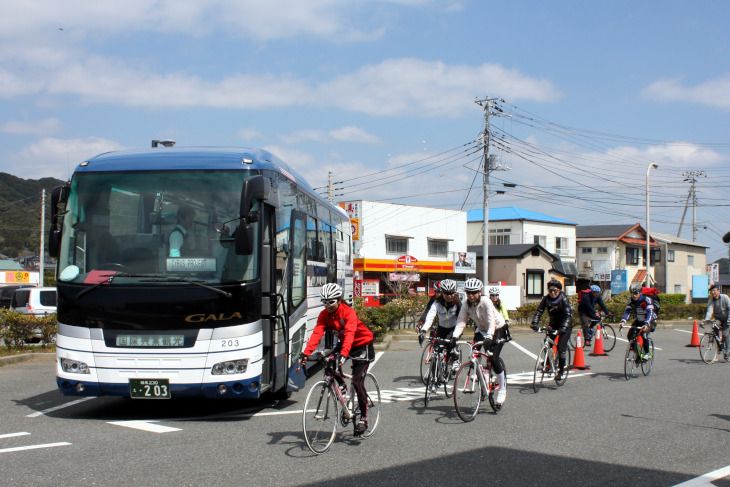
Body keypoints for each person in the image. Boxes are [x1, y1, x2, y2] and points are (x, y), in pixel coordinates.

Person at [299, 283, 374, 435]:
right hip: (344, 343)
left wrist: (344, 355)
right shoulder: (324, 315)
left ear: (339, 300)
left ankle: (364, 418)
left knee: (357, 381)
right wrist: (306, 353)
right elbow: (316, 334)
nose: (327, 306)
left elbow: (350, 334)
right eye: (324, 302)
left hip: (362, 344)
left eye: (331, 302)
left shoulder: (348, 313)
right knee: (328, 361)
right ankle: (341, 385)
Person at [452, 278, 509, 405]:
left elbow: (491, 321)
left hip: (498, 328)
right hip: (481, 330)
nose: (471, 295)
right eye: (468, 293)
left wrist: (489, 337)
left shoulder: (486, 301)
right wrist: (455, 337)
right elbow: (461, 321)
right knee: (475, 354)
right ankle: (484, 379)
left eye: (474, 292)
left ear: (479, 292)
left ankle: (502, 389)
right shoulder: (466, 304)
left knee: (493, 358)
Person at [531, 279, 573, 381]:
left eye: (555, 290)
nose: (553, 293)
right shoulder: (546, 299)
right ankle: (548, 364)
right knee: (546, 343)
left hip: (565, 325)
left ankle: (561, 371)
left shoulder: (563, 299)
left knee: (561, 348)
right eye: (550, 290)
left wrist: (563, 328)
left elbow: (568, 315)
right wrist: (534, 323)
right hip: (553, 324)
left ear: (559, 290)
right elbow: (539, 311)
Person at [417, 279, 462, 373]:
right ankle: (437, 370)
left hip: (454, 328)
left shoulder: (457, 303)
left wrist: (456, 334)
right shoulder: (436, 302)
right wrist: (424, 330)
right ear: (442, 293)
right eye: (446, 293)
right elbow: (430, 316)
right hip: (442, 328)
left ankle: (455, 358)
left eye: (451, 293)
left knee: (450, 345)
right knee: (437, 348)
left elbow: (461, 319)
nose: (449, 296)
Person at [620, 283, 656, 361]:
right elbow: (627, 311)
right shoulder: (631, 300)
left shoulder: (647, 300)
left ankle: (647, 353)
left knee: (644, 334)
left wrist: (646, 324)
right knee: (630, 335)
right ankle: (636, 351)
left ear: (640, 293)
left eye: (636, 293)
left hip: (649, 320)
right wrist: (623, 321)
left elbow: (650, 312)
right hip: (639, 320)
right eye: (632, 293)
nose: (634, 295)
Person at [705, 284, 730, 360]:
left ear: (718, 291)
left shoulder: (725, 297)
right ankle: (719, 347)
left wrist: (729, 318)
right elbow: (709, 311)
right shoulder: (711, 300)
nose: (713, 293)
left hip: (727, 319)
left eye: (714, 291)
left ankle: (727, 352)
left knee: (725, 334)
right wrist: (706, 321)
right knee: (713, 329)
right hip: (718, 319)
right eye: (711, 291)